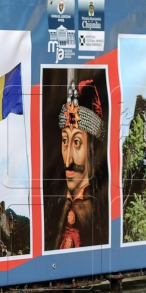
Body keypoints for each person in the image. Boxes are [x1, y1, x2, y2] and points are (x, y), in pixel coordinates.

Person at [44, 79, 108, 250]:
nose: (68, 160)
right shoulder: (53, 206)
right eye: (65, 141)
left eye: (77, 142)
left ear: (92, 150)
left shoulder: (101, 210)